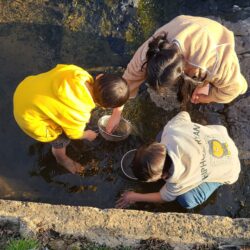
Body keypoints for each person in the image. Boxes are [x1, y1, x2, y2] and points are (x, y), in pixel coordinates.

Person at [107, 15, 248, 132]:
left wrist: (208, 96)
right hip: (184, 26)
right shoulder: (152, 50)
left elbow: (232, 90)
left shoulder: (216, 63)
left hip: (217, 38)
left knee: (241, 87)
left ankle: (206, 83)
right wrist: (116, 113)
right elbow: (130, 77)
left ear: (184, 71)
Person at [13, 64, 129, 174]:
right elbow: (74, 134)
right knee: (62, 138)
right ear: (103, 107)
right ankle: (61, 158)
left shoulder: (78, 73)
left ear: (99, 76)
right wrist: (87, 134)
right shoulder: (79, 113)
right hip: (29, 118)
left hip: (25, 89)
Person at [116, 111, 240, 209]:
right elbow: (184, 114)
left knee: (186, 200)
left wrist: (133, 196)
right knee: (161, 134)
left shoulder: (179, 181)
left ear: (164, 176)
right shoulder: (171, 130)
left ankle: (214, 180)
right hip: (220, 136)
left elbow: (164, 197)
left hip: (231, 167)